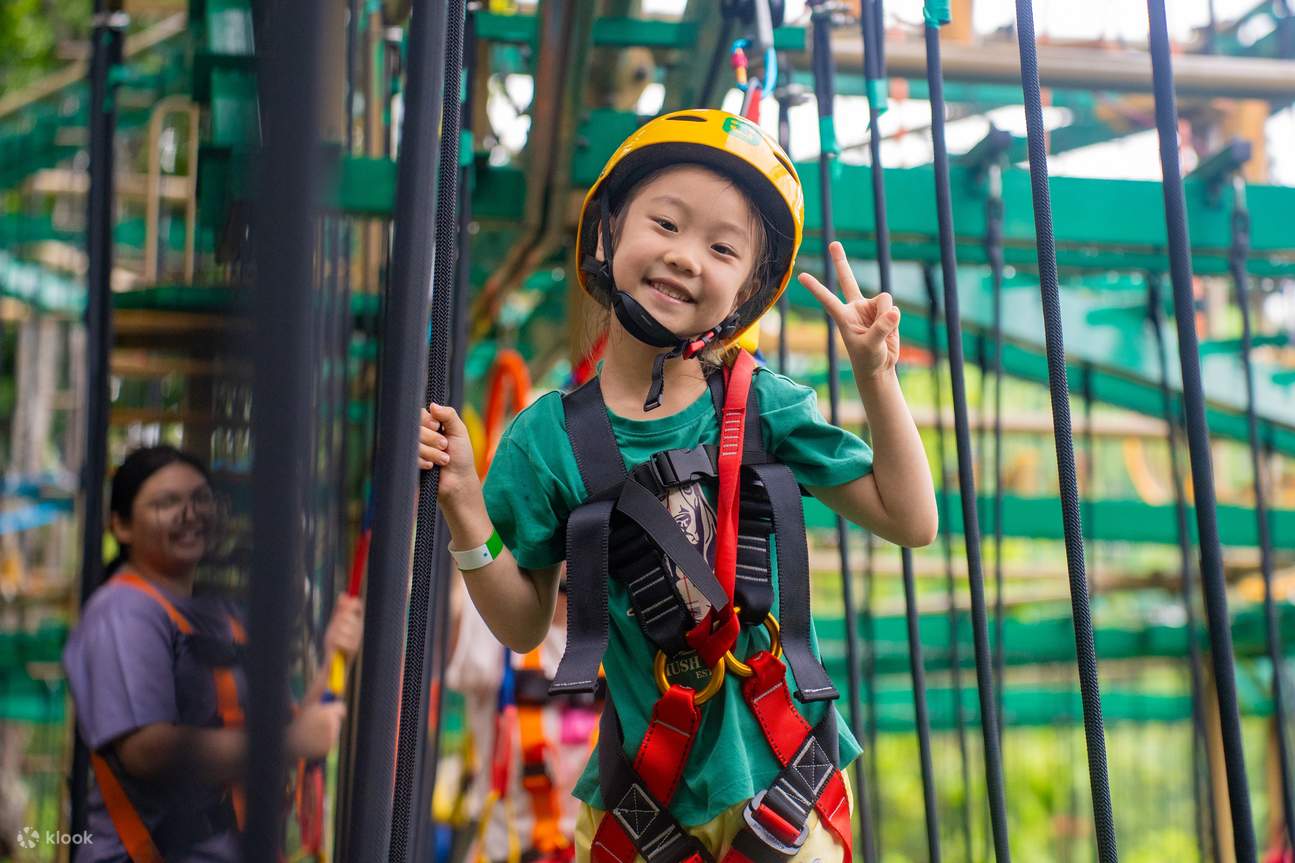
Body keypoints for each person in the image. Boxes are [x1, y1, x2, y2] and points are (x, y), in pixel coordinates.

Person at [420, 109, 936, 863]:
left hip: (782, 783)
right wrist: (466, 508)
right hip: (644, 806)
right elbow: (525, 625)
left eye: (721, 247)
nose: (686, 257)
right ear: (606, 236)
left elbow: (910, 518)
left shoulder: (765, 405)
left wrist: (875, 376)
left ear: (744, 294)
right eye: (664, 224)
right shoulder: (545, 441)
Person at [63, 445, 363, 862]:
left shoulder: (219, 615)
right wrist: (285, 743)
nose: (190, 514)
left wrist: (335, 654)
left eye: (200, 498)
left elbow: (287, 725)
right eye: (167, 502)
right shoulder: (123, 611)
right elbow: (146, 750)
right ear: (122, 527)